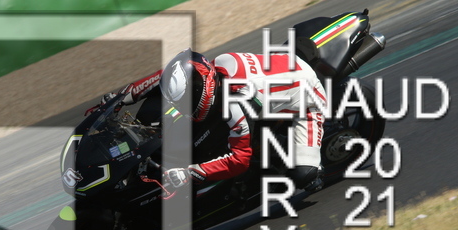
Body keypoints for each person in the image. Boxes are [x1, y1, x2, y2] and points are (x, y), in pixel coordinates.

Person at [89, 48, 327, 192]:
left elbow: (240, 160)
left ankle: (300, 161)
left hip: (307, 100)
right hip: (280, 71)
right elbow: (166, 76)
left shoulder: (237, 104)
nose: (182, 108)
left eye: (186, 101)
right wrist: (122, 97)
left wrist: (190, 172)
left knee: (303, 175)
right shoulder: (210, 69)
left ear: (201, 91)